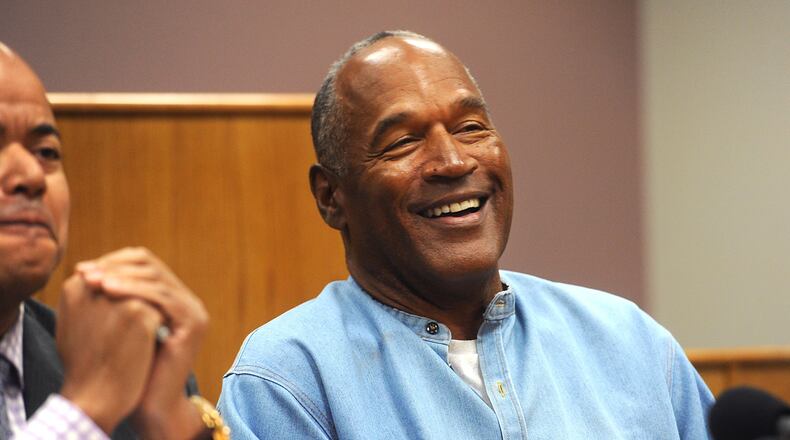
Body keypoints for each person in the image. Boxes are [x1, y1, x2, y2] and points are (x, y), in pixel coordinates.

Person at [218, 31, 714, 439]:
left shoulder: (629, 343)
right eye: (403, 142)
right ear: (331, 197)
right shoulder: (288, 381)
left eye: (471, 127)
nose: (454, 161)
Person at [0, 42, 225, 439]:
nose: (32, 176)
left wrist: (173, 425)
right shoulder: (99, 384)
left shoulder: (126, 365)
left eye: (46, 151)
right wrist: (84, 410)